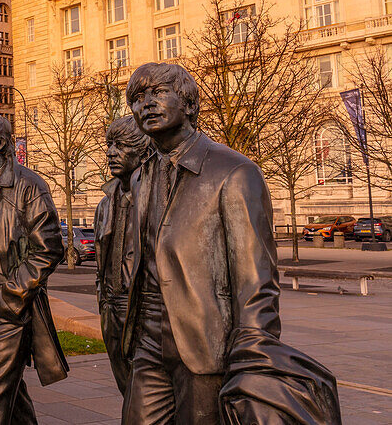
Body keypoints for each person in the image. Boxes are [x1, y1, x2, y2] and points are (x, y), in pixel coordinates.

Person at [121, 63, 339, 424]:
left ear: (189, 105)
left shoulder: (234, 172)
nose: (146, 104)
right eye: (137, 98)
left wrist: (254, 358)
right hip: (148, 340)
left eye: (158, 93)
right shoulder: (142, 175)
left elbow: (257, 281)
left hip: (207, 345)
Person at [0, 108, 68, 425]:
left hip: (9, 302)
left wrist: (13, 293)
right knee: (10, 393)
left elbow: (48, 248)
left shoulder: (29, 185)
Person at [94, 115, 150, 395]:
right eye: (109, 145)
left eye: (120, 145)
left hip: (143, 311)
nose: (110, 152)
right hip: (111, 309)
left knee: (147, 400)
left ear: (142, 151)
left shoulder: (155, 201)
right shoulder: (105, 204)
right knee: (127, 392)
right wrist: (103, 300)